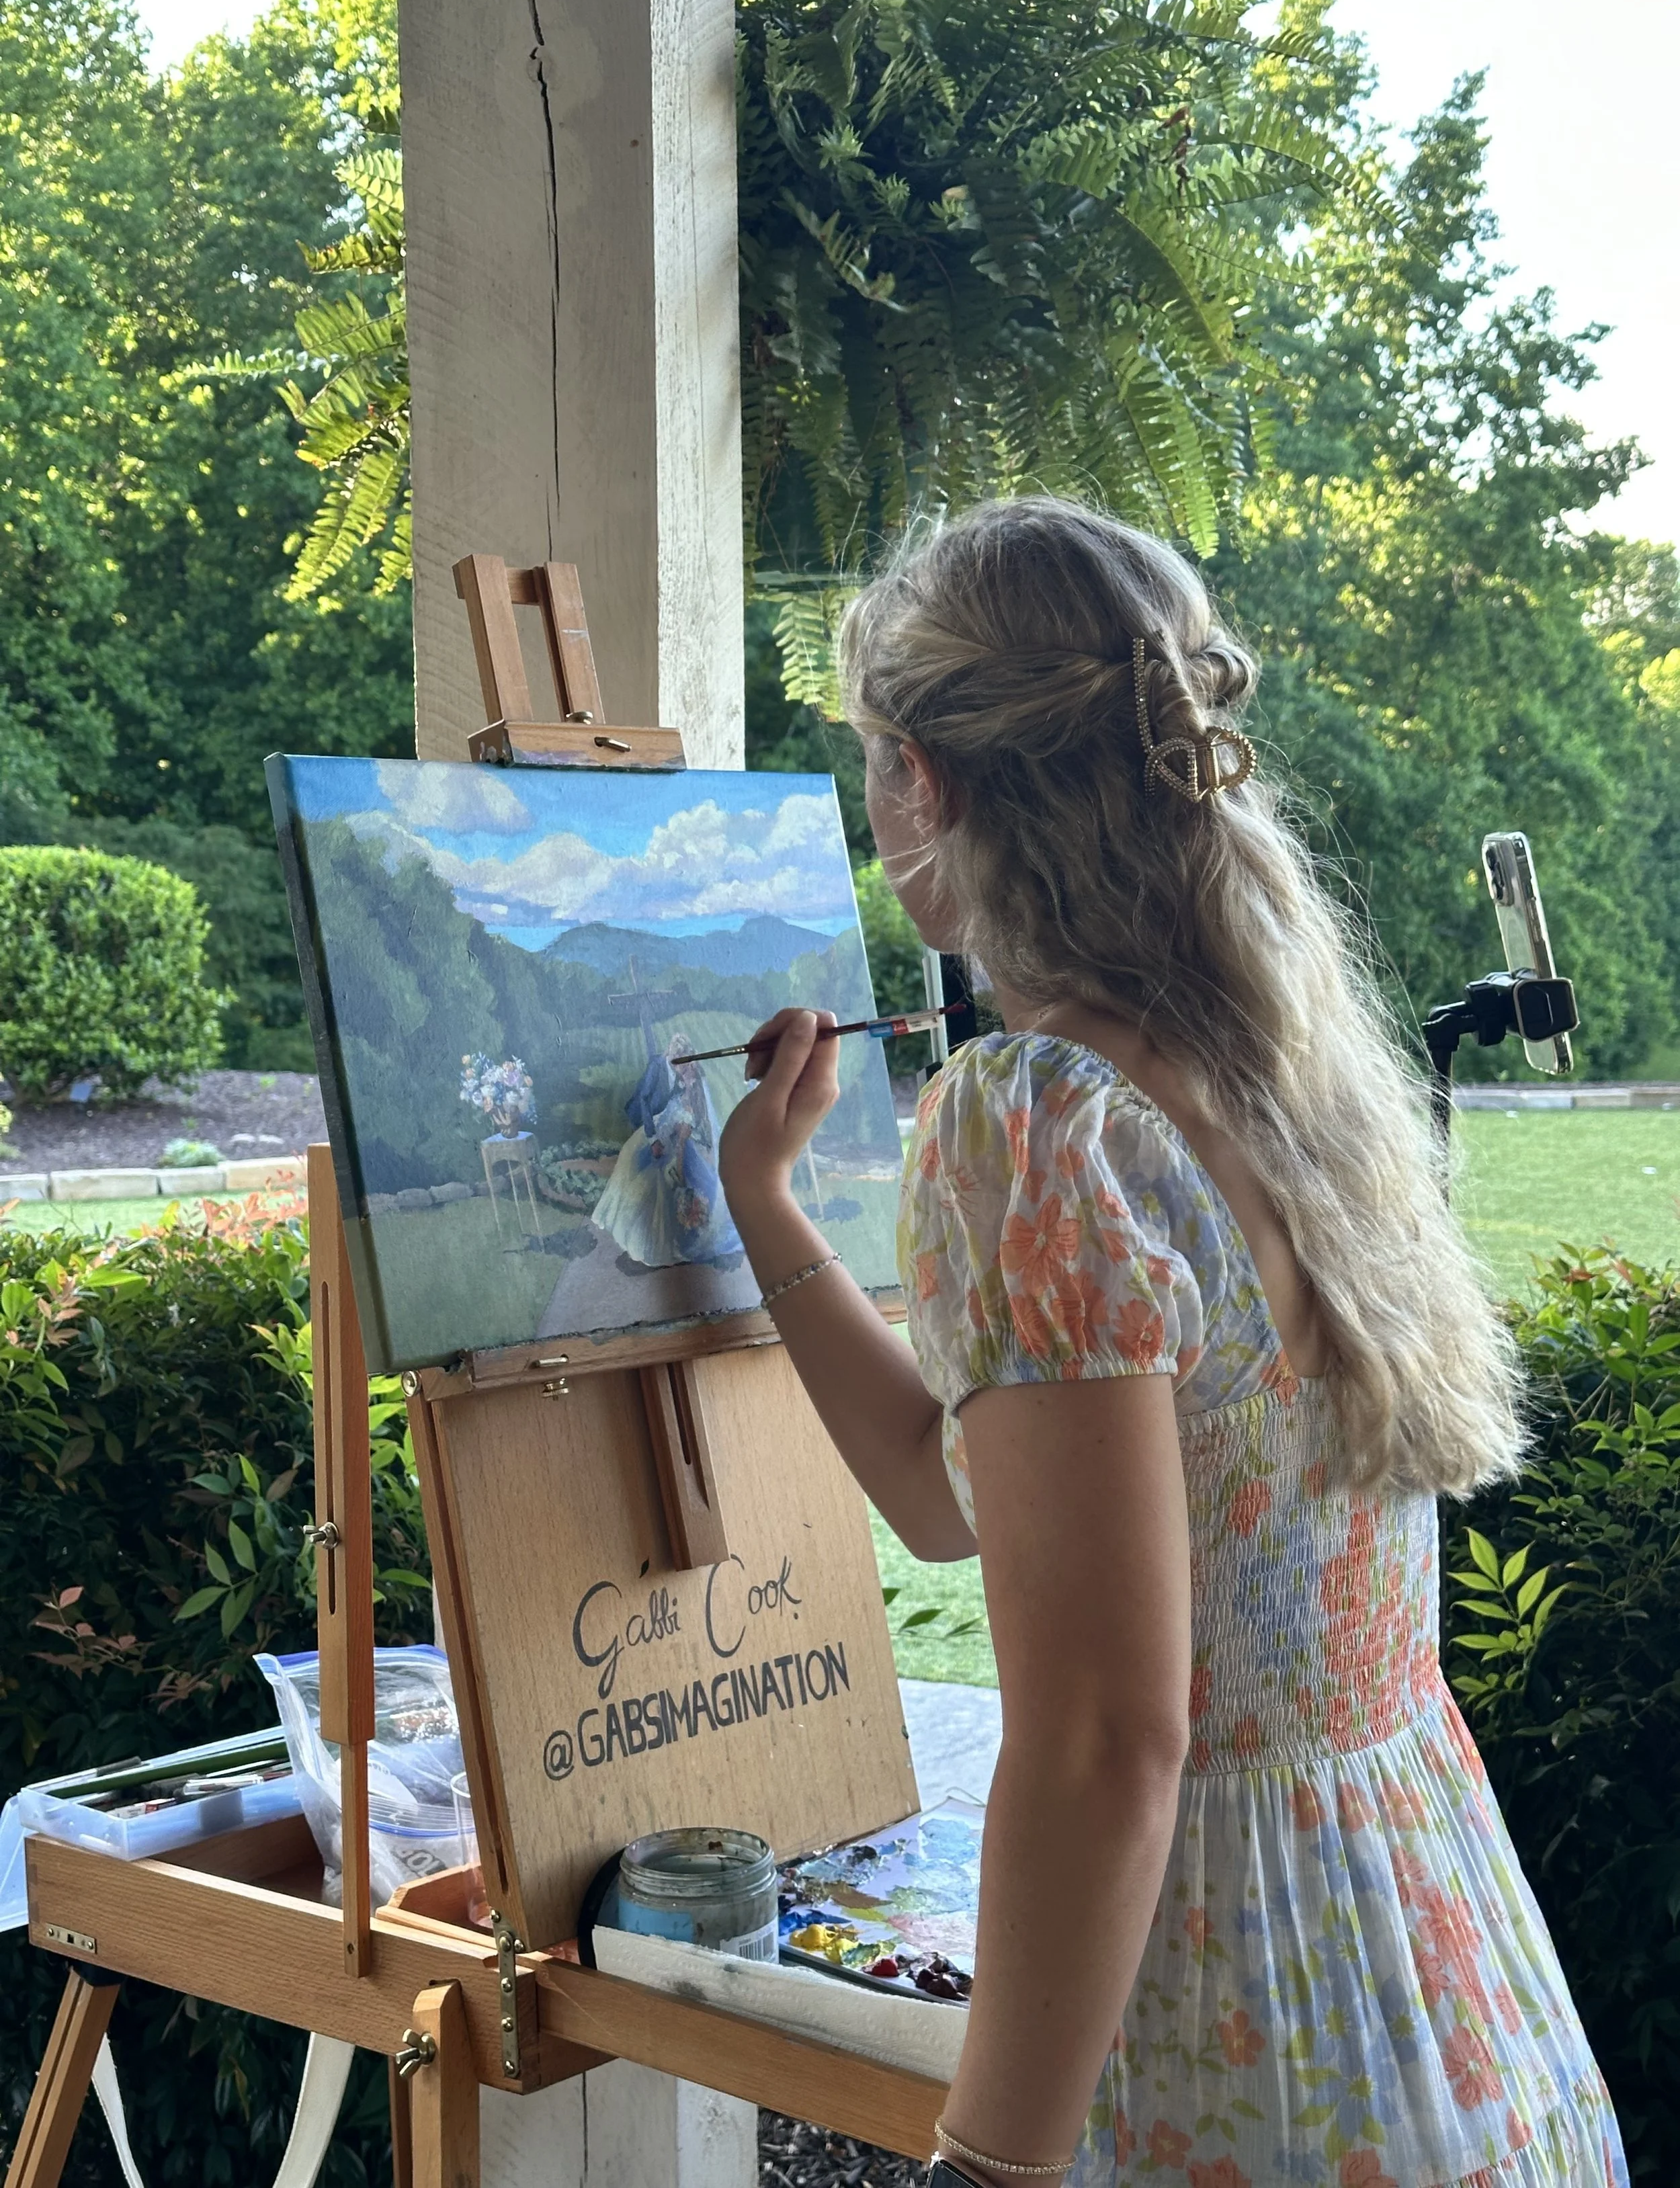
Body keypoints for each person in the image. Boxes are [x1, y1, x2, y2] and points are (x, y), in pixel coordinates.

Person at [717, 499, 1625, 2188]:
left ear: (931, 781)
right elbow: (948, 1495)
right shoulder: (1279, 1070)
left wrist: (985, 2170)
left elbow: (1101, 1742)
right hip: (1437, 1996)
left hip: (1238, 2028)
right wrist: (769, 1210)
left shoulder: (1037, 1116)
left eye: (868, 758)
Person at [591, 1035, 743, 1268]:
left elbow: (685, 1125)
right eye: (677, 1062)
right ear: (670, 1056)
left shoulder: (690, 1090)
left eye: (684, 1064)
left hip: (673, 1133)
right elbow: (645, 1099)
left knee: (659, 1184)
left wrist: (673, 1138)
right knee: (631, 1166)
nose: (680, 1068)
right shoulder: (660, 1068)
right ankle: (629, 1226)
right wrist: (654, 1137)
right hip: (654, 1124)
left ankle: (659, 1239)